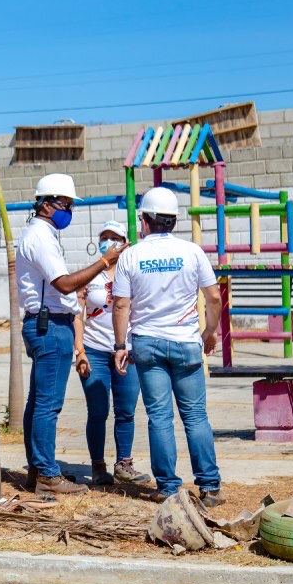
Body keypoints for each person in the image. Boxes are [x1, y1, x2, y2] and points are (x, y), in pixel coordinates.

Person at [16, 173, 127, 498]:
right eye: (66, 204)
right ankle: (48, 474)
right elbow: (64, 284)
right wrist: (105, 261)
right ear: (47, 204)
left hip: (47, 323)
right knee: (48, 404)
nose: (69, 211)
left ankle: (38, 469)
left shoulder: (42, 233)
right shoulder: (41, 237)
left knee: (39, 402)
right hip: (50, 326)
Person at [111, 186, 224, 507]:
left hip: (147, 345)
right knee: (196, 417)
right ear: (174, 220)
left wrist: (120, 345)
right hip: (187, 342)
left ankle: (168, 487)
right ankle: (210, 486)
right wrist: (210, 332)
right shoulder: (192, 252)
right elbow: (214, 297)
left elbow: (121, 305)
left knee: (160, 417)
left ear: (144, 220)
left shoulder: (131, 255)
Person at [79, 219, 151, 487]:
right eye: (104, 236)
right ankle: (98, 466)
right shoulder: (91, 275)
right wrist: (79, 350)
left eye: (114, 237)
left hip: (128, 350)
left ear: (124, 243)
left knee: (126, 410)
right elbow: (78, 314)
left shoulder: (132, 271)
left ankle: (124, 464)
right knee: (97, 410)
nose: (108, 242)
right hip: (95, 350)